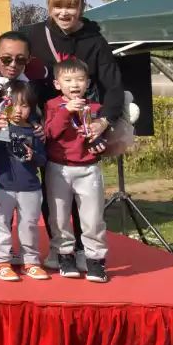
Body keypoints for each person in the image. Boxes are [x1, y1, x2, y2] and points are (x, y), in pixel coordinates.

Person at [25, 0, 123, 272]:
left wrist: (104, 122)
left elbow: (113, 86)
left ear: (81, 7)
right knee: (53, 196)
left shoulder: (95, 40)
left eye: (71, 6)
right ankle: (61, 250)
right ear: (49, 7)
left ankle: (85, 250)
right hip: (47, 124)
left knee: (87, 199)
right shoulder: (33, 35)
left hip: (84, 127)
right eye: (58, 6)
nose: (64, 13)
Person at [0, 31, 45, 267]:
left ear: (29, 59)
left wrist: (39, 127)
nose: (13, 64)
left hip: (24, 160)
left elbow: (43, 117)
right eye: (6, 59)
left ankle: (29, 256)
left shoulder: (33, 87)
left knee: (27, 214)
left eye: (20, 60)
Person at [43, 58, 110, 283]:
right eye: (68, 80)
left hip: (89, 168)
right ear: (57, 84)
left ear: (87, 83)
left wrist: (100, 140)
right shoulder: (52, 105)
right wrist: (66, 112)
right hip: (59, 168)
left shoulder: (95, 108)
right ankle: (65, 256)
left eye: (80, 79)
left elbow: (103, 138)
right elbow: (50, 133)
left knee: (93, 217)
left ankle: (95, 260)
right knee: (59, 216)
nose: (74, 84)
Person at [0, 82, 49, 282]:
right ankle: (1, 262)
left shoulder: (35, 131)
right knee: (1, 224)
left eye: (24, 105)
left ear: (32, 108)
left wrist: (33, 155)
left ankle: (30, 261)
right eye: (12, 104)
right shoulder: (0, 128)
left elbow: (43, 159)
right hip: (3, 186)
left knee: (29, 225)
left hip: (30, 187)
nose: (18, 110)